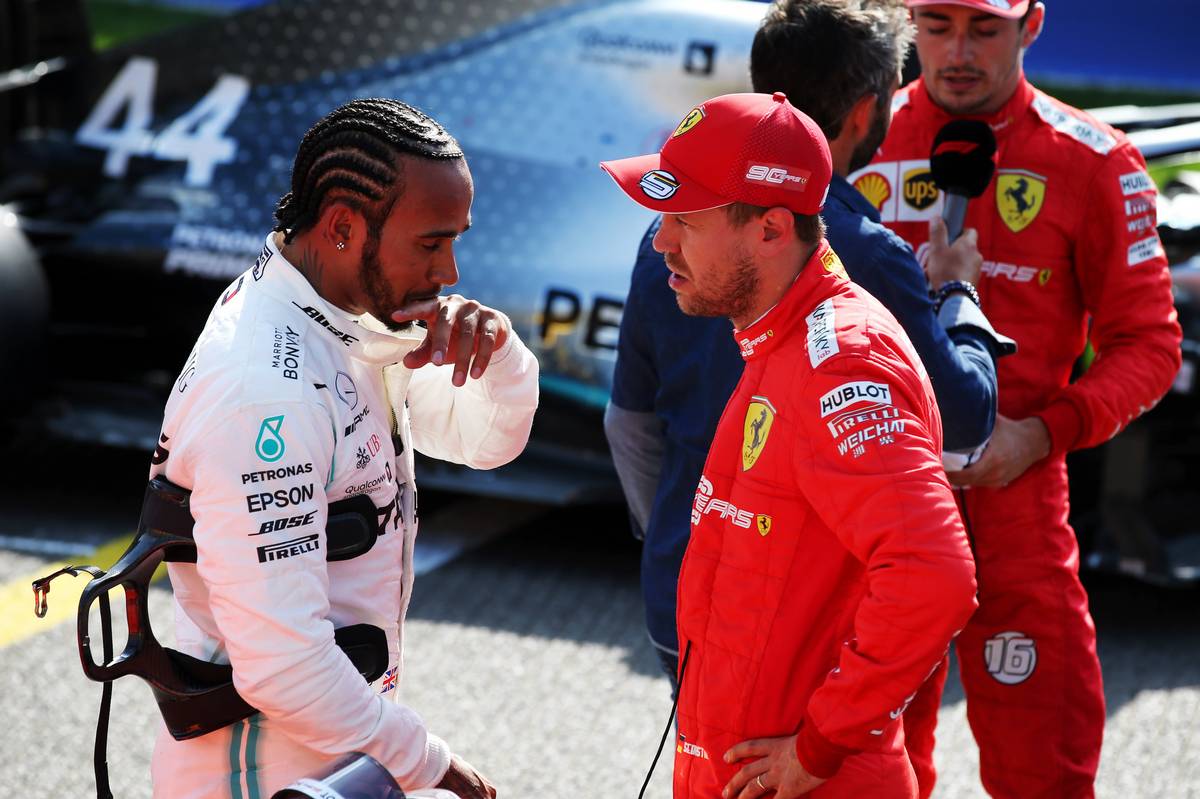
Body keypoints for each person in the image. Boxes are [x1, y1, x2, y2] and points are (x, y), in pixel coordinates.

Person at [604, 1, 1008, 752]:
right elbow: (968, 424)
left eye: (680, 222)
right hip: (735, 626)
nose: (665, 240)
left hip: (766, 637)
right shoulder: (856, 257)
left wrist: (677, 534)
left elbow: (628, 425)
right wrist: (958, 293)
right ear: (866, 111)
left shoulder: (833, 325)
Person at [147, 98, 539, 799]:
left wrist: (501, 357)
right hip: (259, 776)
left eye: (456, 241)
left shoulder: (341, 317)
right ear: (341, 227)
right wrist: (429, 764)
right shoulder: (269, 387)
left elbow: (488, 442)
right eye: (430, 243)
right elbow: (284, 665)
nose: (450, 271)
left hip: (337, 763)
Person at [868, 2, 1184, 796]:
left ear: (1032, 24)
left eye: (985, 27)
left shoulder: (1096, 160)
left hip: (1018, 498)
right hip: (871, 499)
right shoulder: (858, 134)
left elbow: (1148, 346)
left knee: (1044, 769)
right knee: (863, 770)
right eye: (937, 26)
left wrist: (1042, 435)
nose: (958, 50)